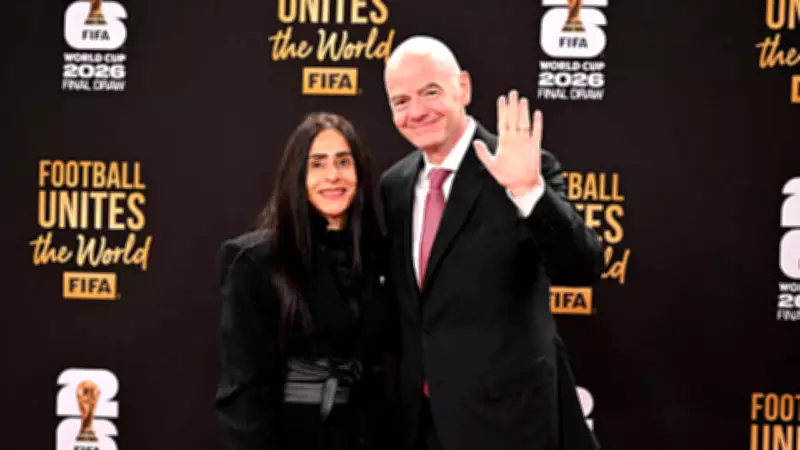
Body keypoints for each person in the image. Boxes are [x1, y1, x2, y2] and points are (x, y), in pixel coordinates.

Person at [378, 35, 604, 450]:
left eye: (431, 92)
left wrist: (528, 192)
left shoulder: (522, 168)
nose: (417, 111)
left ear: (463, 87)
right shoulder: (394, 186)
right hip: (419, 425)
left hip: (508, 424)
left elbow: (582, 267)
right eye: (401, 100)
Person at [215, 112, 393, 450]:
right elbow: (244, 395)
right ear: (297, 175)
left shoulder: (380, 256)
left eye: (343, 162)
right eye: (317, 164)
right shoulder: (255, 262)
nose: (332, 175)